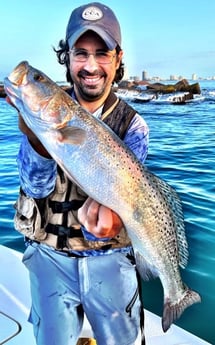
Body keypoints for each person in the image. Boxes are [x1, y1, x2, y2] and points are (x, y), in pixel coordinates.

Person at [9, 2, 149, 345]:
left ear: (118, 58)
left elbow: (134, 200)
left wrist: (114, 222)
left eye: (101, 53)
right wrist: (36, 138)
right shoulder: (44, 114)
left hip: (110, 262)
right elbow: (36, 187)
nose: (90, 66)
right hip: (49, 257)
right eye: (80, 53)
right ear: (66, 57)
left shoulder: (135, 126)